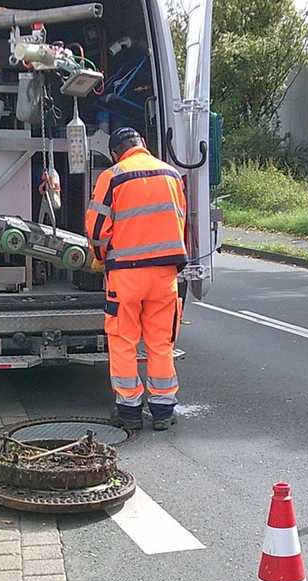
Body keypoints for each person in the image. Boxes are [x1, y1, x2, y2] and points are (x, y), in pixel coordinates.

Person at [85, 127, 187, 431]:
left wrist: (100, 258)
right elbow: (181, 220)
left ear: (117, 152)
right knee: (160, 342)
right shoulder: (171, 175)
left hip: (126, 277)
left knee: (123, 341)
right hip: (165, 275)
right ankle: (163, 409)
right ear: (142, 145)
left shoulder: (113, 176)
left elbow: (97, 230)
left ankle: (129, 410)